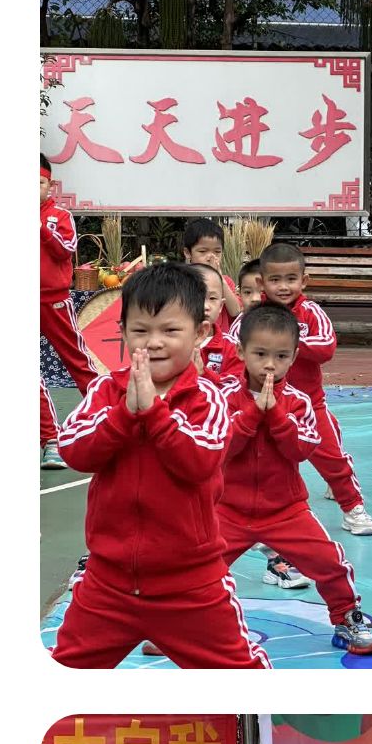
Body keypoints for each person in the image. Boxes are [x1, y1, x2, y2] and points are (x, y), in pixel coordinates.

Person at [52, 263, 271, 668]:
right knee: (63, 674)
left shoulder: (208, 397)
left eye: (170, 330)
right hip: (108, 583)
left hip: (192, 586)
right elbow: (73, 450)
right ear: (122, 331)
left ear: (200, 333)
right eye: (140, 330)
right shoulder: (106, 390)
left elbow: (200, 461)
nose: (153, 342)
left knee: (242, 676)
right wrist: (124, 415)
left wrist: (152, 413)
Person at [216, 302, 372, 654]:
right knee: (194, 567)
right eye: (260, 354)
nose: (270, 364)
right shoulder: (224, 397)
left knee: (330, 563)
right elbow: (221, 449)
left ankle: (347, 618)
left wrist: (275, 414)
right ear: (241, 352)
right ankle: (179, 624)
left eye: (281, 356)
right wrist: (251, 414)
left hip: (286, 510)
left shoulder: (299, 402)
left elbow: (300, 450)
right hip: (227, 508)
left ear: (293, 357)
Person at [226, 241, 372, 536]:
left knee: (331, 458)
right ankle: (247, 521)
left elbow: (328, 346)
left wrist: (290, 341)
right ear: (261, 282)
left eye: (291, 279)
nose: (283, 286)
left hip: (309, 404)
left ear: (304, 280)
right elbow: (233, 352)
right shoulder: (250, 318)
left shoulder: (310, 312)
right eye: (275, 279)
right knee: (250, 461)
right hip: (255, 403)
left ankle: (353, 507)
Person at [40, 152, 99, 404]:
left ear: (50, 185)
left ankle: (100, 406)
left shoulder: (60, 216)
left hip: (54, 300)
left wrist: (41, 229)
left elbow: (66, 250)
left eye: (39, 183)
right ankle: (46, 425)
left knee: (76, 357)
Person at [180, 218, 240, 331]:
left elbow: (235, 311)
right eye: (203, 251)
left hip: (219, 339)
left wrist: (220, 278)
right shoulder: (181, 280)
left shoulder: (225, 281)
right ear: (188, 253)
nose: (211, 257)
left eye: (217, 252)